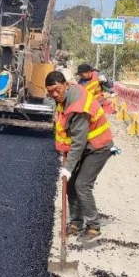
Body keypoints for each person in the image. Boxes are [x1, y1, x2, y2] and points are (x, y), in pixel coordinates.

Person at [46, 70, 114, 241]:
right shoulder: (65, 98)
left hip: (98, 147)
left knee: (82, 185)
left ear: (66, 85)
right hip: (85, 146)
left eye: (57, 90)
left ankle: (93, 227)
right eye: (50, 92)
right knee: (70, 185)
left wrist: (68, 168)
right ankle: (77, 223)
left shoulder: (78, 107)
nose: (54, 95)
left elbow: (78, 142)